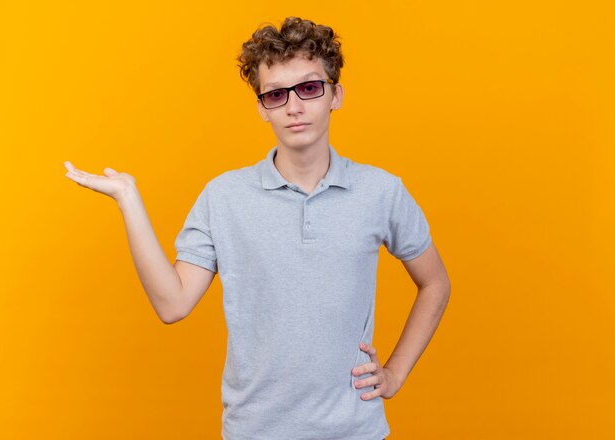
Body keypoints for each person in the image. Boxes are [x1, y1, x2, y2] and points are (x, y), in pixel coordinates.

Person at [64, 16, 450, 440]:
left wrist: (394, 374)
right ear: (262, 107)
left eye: (308, 88)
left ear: (335, 94)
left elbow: (435, 283)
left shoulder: (381, 191)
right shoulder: (224, 196)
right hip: (254, 431)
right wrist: (128, 198)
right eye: (276, 94)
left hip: (355, 431)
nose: (294, 107)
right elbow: (172, 305)